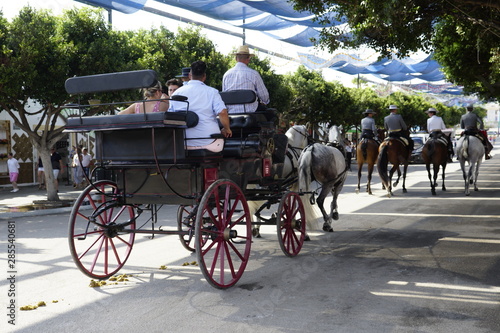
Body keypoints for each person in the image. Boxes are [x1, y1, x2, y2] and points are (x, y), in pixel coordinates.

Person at [169, 60, 232, 152]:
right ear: (204, 77)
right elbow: (222, 112)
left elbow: (171, 117)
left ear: (190, 75)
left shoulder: (176, 93)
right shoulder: (212, 92)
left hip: (182, 142)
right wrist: (227, 129)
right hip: (209, 141)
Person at [222, 45, 270, 114]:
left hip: (231, 114)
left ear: (236, 58)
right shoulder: (254, 74)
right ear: (248, 59)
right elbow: (264, 96)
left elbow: (225, 97)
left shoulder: (226, 75)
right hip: (251, 113)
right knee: (271, 114)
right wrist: (265, 102)